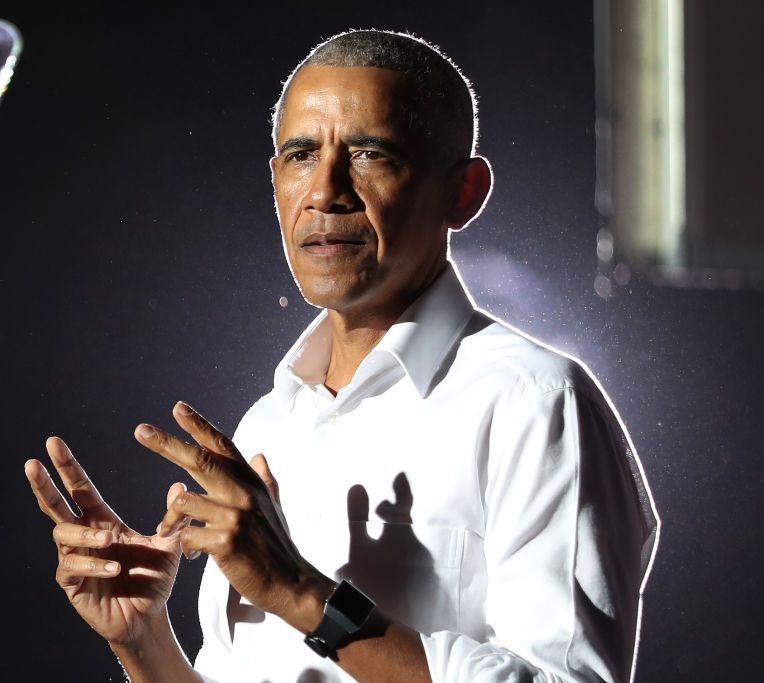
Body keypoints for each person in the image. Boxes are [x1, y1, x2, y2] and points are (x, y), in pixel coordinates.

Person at [24, 29, 659, 682]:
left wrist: (299, 592)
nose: (325, 190)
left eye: (369, 153)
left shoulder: (535, 404)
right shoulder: (267, 425)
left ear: (463, 193)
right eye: (301, 155)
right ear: (276, 182)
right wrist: (143, 641)